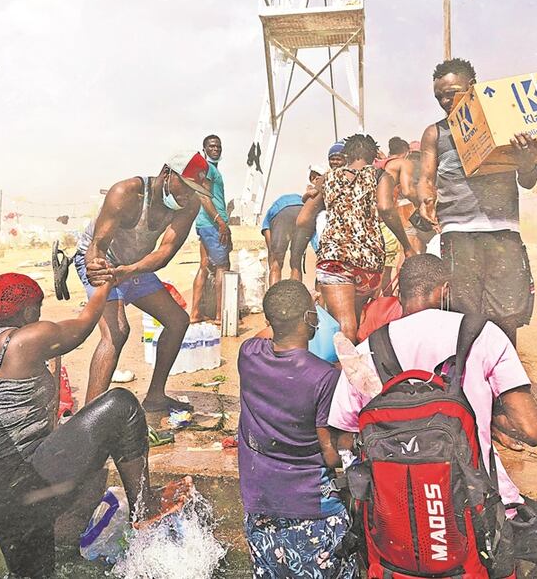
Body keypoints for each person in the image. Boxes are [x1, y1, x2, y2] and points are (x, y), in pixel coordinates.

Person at [327, 255, 537, 578]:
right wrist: (486, 417)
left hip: (393, 515)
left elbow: (343, 440)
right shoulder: (483, 335)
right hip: (480, 505)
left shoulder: (368, 350)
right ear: (444, 291)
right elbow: (531, 430)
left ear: (401, 296)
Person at [0, 271, 185, 578]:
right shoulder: (24, 339)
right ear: (26, 311)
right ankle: (144, 505)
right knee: (121, 405)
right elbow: (82, 327)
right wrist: (104, 287)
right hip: (20, 488)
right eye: (37, 308)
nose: (39, 315)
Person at [417, 58, 537, 345]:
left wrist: (526, 162)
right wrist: (425, 199)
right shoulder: (435, 133)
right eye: (440, 96)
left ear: (473, 87)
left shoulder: (505, 125)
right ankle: (466, 382)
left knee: (506, 315)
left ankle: (503, 379)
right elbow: (426, 176)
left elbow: (529, 180)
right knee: (463, 315)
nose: (446, 101)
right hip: (458, 232)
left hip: (502, 229)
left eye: (453, 92)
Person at [237, 280, 356, 579]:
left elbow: (269, 332)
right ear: (310, 319)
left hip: (261, 506)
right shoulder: (323, 377)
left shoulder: (248, 354)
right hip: (314, 511)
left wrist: (281, 319)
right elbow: (330, 453)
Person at [75, 151, 211, 411]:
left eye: (194, 190)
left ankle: (156, 397)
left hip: (134, 266)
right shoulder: (125, 193)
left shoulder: (189, 205)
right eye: (184, 186)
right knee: (117, 332)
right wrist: (97, 270)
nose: (187, 196)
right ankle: (88, 417)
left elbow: (164, 252)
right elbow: (97, 246)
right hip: (102, 260)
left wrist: (130, 271)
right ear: (166, 173)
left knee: (178, 320)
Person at [296, 133, 417, 343]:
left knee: (344, 323)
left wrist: (296, 256)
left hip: (335, 259)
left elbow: (303, 219)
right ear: (373, 156)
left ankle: (345, 373)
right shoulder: (381, 176)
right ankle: (361, 363)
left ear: (346, 155)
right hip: (369, 262)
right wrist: (406, 246)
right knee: (358, 319)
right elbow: (386, 208)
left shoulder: (328, 178)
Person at [190, 134, 233, 325]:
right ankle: (219, 316)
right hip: (213, 225)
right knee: (222, 267)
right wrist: (220, 222)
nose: (216, 149)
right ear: (204, 148)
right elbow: (203, 196)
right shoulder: (207, 169)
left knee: (204, 265)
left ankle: (195, 313)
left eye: (218, 146)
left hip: (204, 224)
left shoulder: (212, 169)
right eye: (212, 146)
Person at [261, 168, 322, 286]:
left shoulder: (269, 217)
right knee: (296, 262)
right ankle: (296, 299)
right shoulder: (302, 200)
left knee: (277, 262)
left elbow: (270, 247)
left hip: (283, 213)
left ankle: (274, 299)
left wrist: (273, 259)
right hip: (302, 211)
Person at [374, 136, 416, 293]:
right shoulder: (403, 163)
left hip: (369, 223)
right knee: (394, 265)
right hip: (387, 219)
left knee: (375, 272)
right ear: (406, 152)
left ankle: (375, 309)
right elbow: (407, 190)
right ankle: (393, 302)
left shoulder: (378, 164)